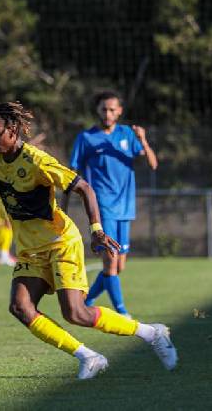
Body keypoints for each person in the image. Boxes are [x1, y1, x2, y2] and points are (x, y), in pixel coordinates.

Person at [0, 94, 176, 380]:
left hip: (60, 243)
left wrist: (96, 230)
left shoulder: (37, 161)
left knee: (76, 313)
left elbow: (84, 188)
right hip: (30, 249)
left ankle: (150, 333)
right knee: (20, 308)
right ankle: (89, 357)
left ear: (12, 130)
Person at [63, 90, 158, 317]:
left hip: (125, 207)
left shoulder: (127, 134)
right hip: (102, 207)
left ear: (120, 111)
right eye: (104, 109)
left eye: (112, 109)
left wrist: (143, 139)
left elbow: (153, 164)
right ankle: (122, 312)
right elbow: (71, 173)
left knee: (118, 266)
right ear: (97, 110)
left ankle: (87, 300)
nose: (108, 113)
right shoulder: (86, 138)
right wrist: (62, 205)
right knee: (111, 264)